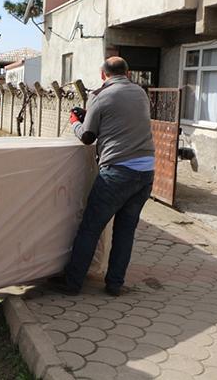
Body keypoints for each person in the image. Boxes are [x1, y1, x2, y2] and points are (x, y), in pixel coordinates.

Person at [54, 56, 155, 297]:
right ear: (128, 74)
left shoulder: (99, 96)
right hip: (146, 173)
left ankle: (72, 283)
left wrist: (75, 122)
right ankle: (115, 284)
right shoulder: (140, 93)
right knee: (125, 230)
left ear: (102, 75)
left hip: (117, 173)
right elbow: (120, 118)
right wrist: (92, 114)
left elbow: (88, 136)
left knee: (91, 227)